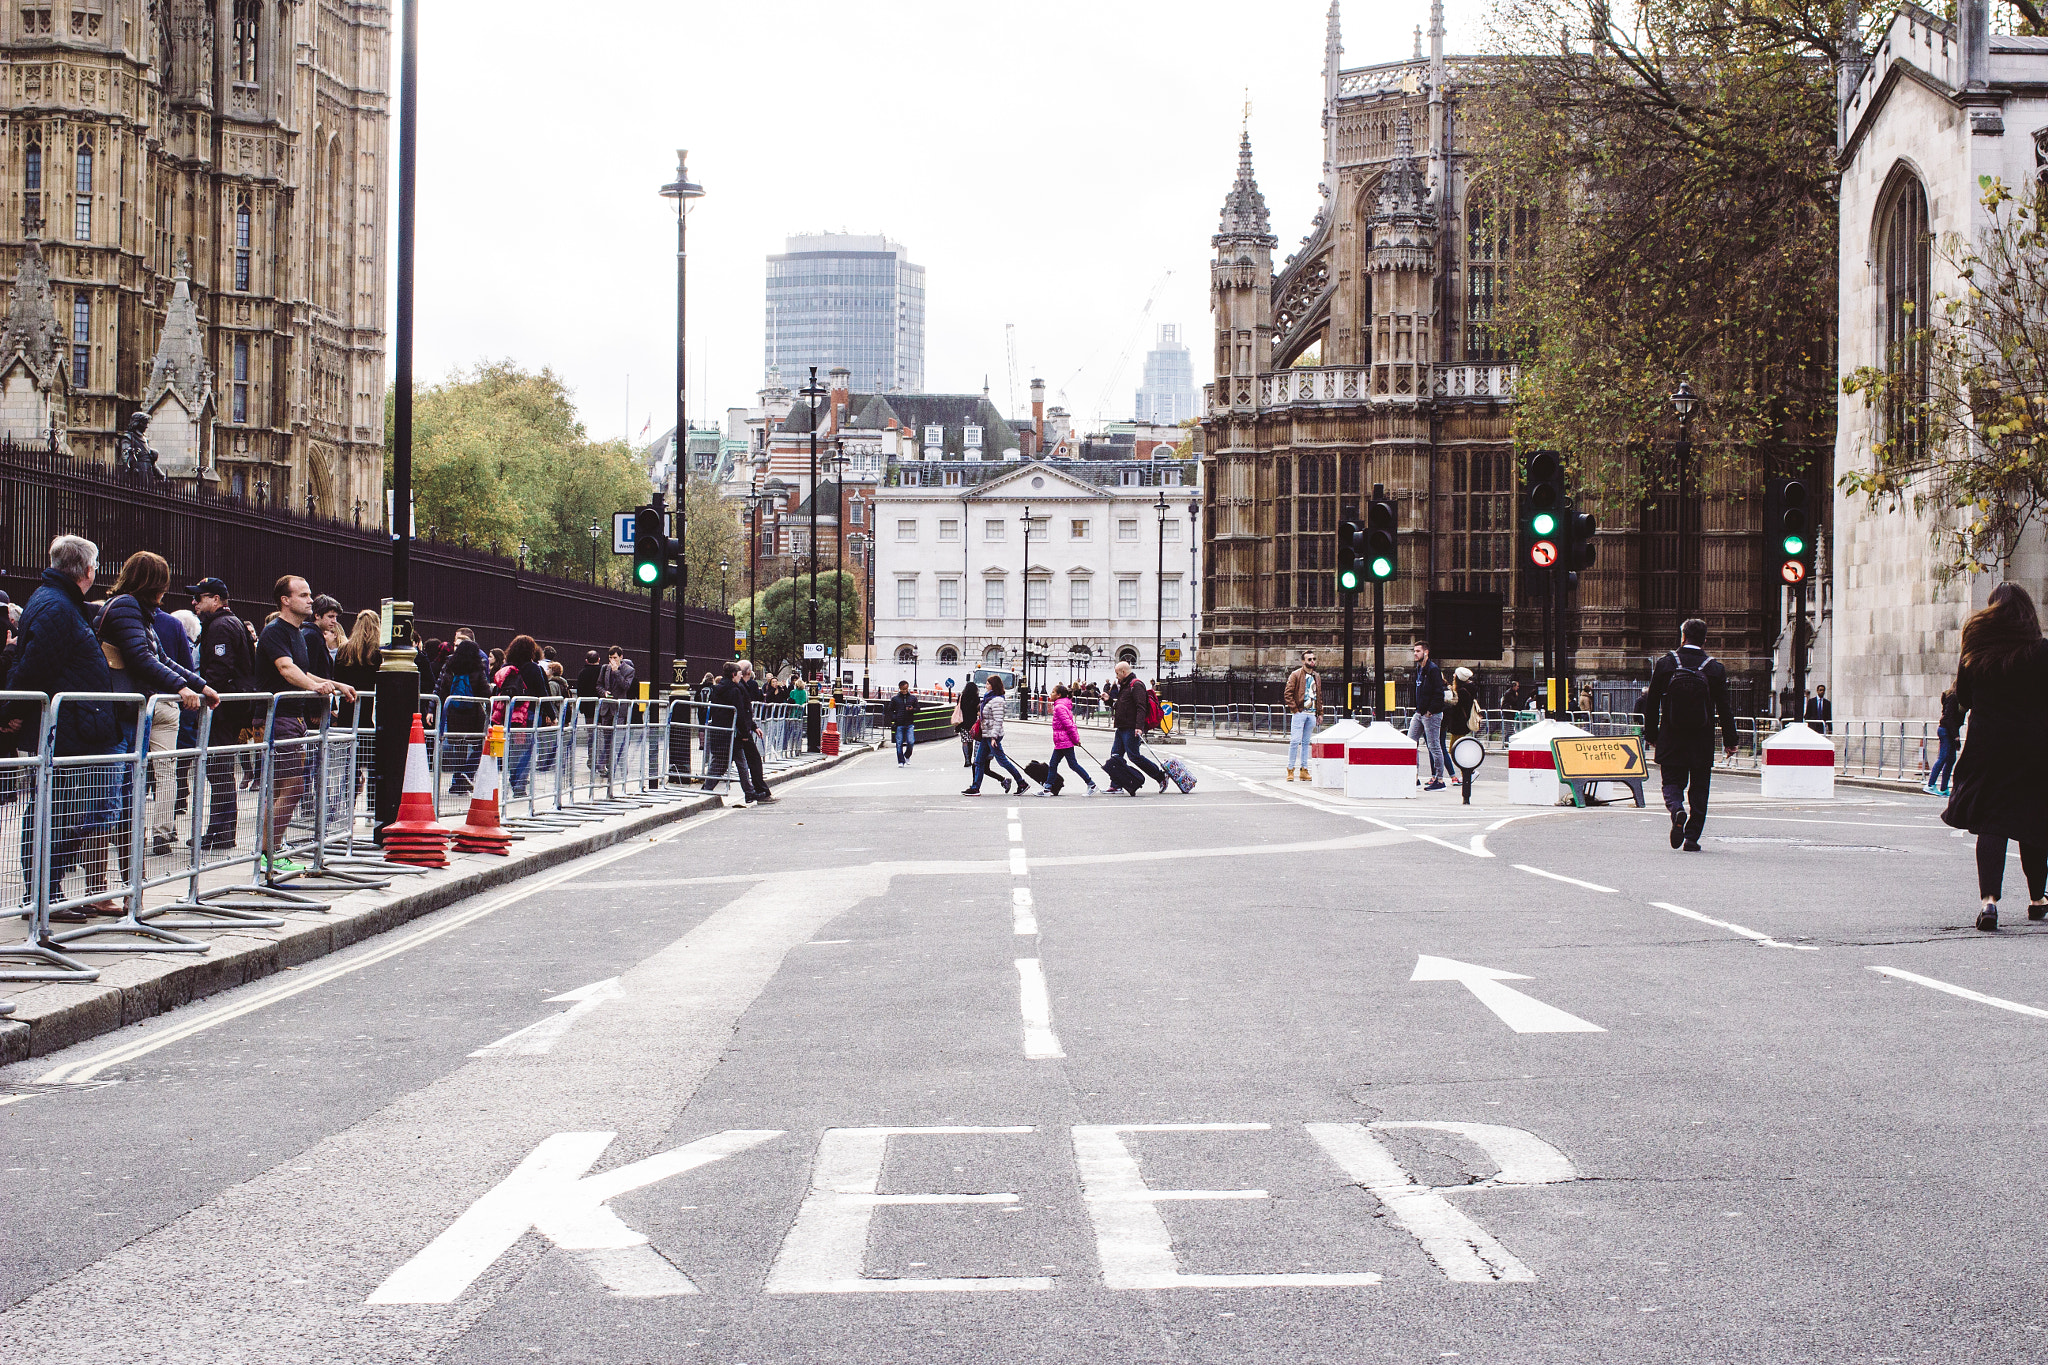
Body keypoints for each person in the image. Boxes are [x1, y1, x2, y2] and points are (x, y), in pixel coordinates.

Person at [10, 536, 123, 919]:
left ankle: (48, 893)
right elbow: (34, 666)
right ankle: (43, 896)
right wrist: (11, 708)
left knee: (60, 810)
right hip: (66, 727)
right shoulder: (57, 606)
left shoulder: (56, 601)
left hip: (75, 724)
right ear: (88, 571)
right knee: (54, 811)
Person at [1941, 582, 2048, 931]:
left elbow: (1964, 697)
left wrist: (1954, 726)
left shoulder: (1976, 651)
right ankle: (2037, 899)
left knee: (1992, 822)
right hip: (2034, 747)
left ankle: (1989, 903)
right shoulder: (2041, 651)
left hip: (1988, 746)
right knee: (2032, 821)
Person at [96, 551, 216, 861]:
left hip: (131, 710)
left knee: (127, 792)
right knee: (113, 796)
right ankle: (105, 881)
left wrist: (200, 685)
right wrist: (181, 687)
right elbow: (142, 657)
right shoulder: (126, 607)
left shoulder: (139, 611)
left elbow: (162, 658)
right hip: (119, 711)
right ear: (153, 583)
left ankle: (127, 875)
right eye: (164, 582)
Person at [257, 575, 356, 876]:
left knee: (283, 787)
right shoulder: (275, 632)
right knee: (292, 785)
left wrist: (333, 683)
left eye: (309, 594)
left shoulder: (298, 633)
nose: (310, 600)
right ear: (285, 600)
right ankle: (269, 853)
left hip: (293, 716)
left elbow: (304, 671)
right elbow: (286, 670)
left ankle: (270, 851)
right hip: (280, 717)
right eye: (303, 595)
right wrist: (318, 688)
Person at [1638, 617, 1739, 853]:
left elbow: (1651, 703)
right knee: (1700, 788)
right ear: (1705, 639)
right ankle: (1692, 838)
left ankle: (1676, 810)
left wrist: (1652, 734)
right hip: (1701, 739)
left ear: (1682, 636)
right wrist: (1730, 741)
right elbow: (1724, 708)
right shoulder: (1714, 668)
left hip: (1672, 735)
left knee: (1672, 782)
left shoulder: (1666, 663)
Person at [190, 578, 257, 849]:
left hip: (223, 709)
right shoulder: (231, 623)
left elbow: (219, 670)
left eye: (200, 598)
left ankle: (220, 832)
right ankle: (222, 831)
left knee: (218, 770)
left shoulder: (219, 626)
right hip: (231, 708)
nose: (194, 603)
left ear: (216, 600)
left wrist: (203, 693)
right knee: (221, 770)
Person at [435, 631, 490, 794]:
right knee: (479, 745)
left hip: (453, 713)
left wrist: (435, 709)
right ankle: (465, 774)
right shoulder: (477, 668)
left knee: (458, 748)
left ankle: (457, 783)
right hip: (473, 714)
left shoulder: (450, 666)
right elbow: (485, 692)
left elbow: (441, 689)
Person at [963, 674, 1031, 795]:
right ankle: (975, 787)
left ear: (994, 686)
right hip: (986, 734)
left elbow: (998, 720)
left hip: (992, 735)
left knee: (1002, 761)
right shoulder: (989, 698)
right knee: (978, 761)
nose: (986, 685)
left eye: (988, 683)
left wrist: (994, 737)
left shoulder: (997, 700)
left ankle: (1021, 783)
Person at [1109, 661, 1168, 793]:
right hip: (1122, 727)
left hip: (1131, 727)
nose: (1116, 677)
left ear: (1124, 672)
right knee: (1115, 756)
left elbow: (1141, 707)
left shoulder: (1136, 685)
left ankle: (1160, 776)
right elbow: (1122, 705)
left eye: (1117, 673)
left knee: (1134, 756)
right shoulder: (1124, 686)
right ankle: (1116, 784)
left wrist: (1139, 726)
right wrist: (1108, 700)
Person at [1044, 681, 1097, 796]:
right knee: (1056, 764)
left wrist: (1075, 739)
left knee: (1067, 764)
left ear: (1058, 695)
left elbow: (1069, 725)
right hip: (1062, 741)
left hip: (1064, 741)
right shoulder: (1061, 706)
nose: (1051, 694)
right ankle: (1047, 788)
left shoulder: (1059, 707)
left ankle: (1091, 784)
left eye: (1053, 692)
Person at [1408, 641, 1448, 791]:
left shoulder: (1433, 670)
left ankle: (1440, 779)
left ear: (1426, 652)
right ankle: (1414, 776)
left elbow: (1439, 693)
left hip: (1430, 714)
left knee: (1434, 746)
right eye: (1414, 651)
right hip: (1419, 712)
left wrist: (1430, 711)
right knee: (1411, 742)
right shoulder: (1419, 669)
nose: (1415, 653)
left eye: (1418, 651)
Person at [1283, 649, 1322, 782]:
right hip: (1300, 712)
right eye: (1309, 659)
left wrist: (1319, 712)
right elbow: (1287, 693)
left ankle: (1304, 770)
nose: (1312, 661)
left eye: (1314, 659)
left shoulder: (1316, 676)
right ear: (1303, 661)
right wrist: (1295, 709)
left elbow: (1318, 696)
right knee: (1294, 741)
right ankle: (1290, 769)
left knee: (1306, 743)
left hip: (1311, 714)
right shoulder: (1296, 675)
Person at [1926, 686, 1962, 798]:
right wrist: (1956, 736)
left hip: (1949, 730)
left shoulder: (1954, 698)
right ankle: (1930, 785)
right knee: (1943, 757)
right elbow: (1949, 719)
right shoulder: (1953, 699)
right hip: (1946, 730)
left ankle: (1944, 788)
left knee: (1951, 759)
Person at [1442, 666, 1478, 765]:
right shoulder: (1469, 689)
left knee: (1455, 751)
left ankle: (1468, 772)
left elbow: (1454, 705)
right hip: (1462, 723)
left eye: (1455, 674)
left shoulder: (1462, 692)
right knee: (1457, 750)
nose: (1453, 675)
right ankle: (1467, 772)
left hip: (1459, 724)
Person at [883, 680, 918, 765]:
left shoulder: (913, 698)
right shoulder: (895, 699)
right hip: (899, 724)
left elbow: (918, 708)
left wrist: (912, 709)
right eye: (903, 689)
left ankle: (907, 756)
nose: (904, 691)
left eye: (906, 689)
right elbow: (890, 710)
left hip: (909, 723)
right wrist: (895, 718)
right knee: (899, 743)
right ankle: (901, 761)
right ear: (899, 688)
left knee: (911, 742)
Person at [956, 678, 981, 768]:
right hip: (973, 722)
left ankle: (966, 759)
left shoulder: (962, 697)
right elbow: (978, 710)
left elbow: (958, 707)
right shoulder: (976, 698)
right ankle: (971, 758)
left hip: (963, 721)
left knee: (964, 741)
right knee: (971, 741)